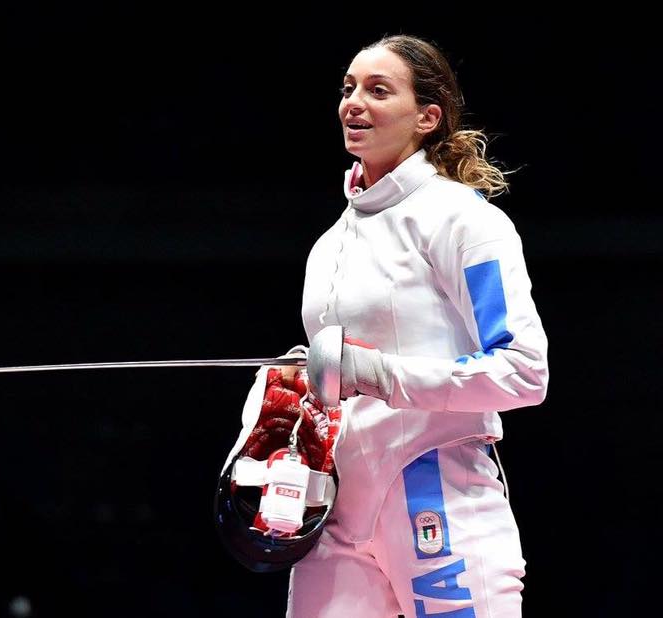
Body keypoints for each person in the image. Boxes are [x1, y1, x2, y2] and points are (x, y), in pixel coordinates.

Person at [226, 34, 548, 617]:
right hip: (336, 511)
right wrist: (296, 384)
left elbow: (523, 371)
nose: (353, 102)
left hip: (436, 490)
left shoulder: (464, 220)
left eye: (378, 90)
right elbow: (340, 377)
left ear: (428, 117)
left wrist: (374, 372)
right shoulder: (330, 243)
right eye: (348, 88)